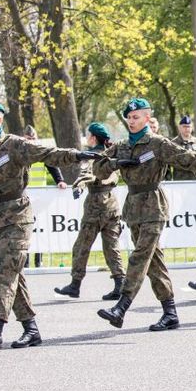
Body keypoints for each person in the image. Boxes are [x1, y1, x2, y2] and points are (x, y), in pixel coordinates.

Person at [94, 98, 196, 331]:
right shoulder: (121, 145)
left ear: (147, 118)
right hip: (133, 207)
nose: (131, 121)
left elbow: (187, 158)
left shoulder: (158, 143)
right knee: (154, 263)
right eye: (129, 118)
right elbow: (97, 167)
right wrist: (115, 163)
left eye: (136, 117)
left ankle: (121, 306)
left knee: (140, 256)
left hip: (153, 206)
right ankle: (170, 313)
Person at [0, 101, 98, 350]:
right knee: (13, 273)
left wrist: (76, 155)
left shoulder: (15, 145)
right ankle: (31, 329)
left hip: (17, 216)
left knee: (4, 272)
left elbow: (47, 153)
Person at [52, 123, 125, 300]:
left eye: (88, 135)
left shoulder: (92, 156)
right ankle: (120, 284)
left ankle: (75, 284)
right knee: (111, 246)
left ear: (93, 138)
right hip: (112, 203)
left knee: (81, 246)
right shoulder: (111, 153)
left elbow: (87, 174)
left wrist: (78, 186)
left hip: (95, 205)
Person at [169, 115, 196, 180]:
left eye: (188, 127)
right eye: (184, 126)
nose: (187, 129)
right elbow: (168, 164)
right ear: (179, 128)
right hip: (179, 180)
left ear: (192, 128)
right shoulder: (173, 143)